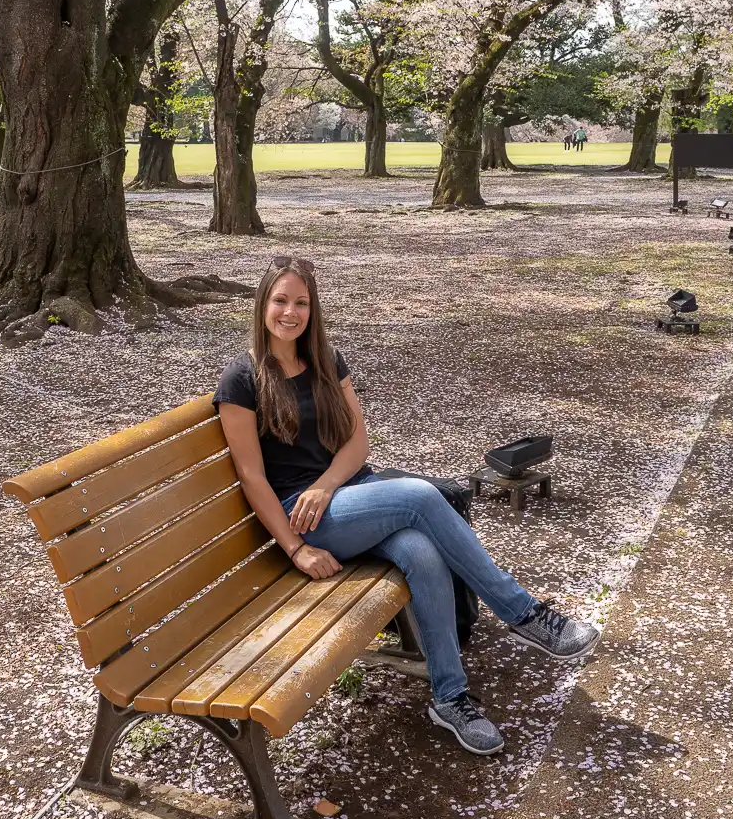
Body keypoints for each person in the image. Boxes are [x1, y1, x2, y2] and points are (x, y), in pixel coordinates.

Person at [214, 257, 600, 758]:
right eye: (281, 300)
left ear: (314, 309)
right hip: (302, 519)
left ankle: (450, 696)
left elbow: (357, 444)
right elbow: (251, 476)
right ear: (263, 303)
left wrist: (328, 485)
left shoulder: (327, 360)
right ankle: (523, 612)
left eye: (301, 302)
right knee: (420, 494)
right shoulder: (241, 379)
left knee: (421, 552)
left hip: (345, 497)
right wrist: (294, 550)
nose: (290, 312)